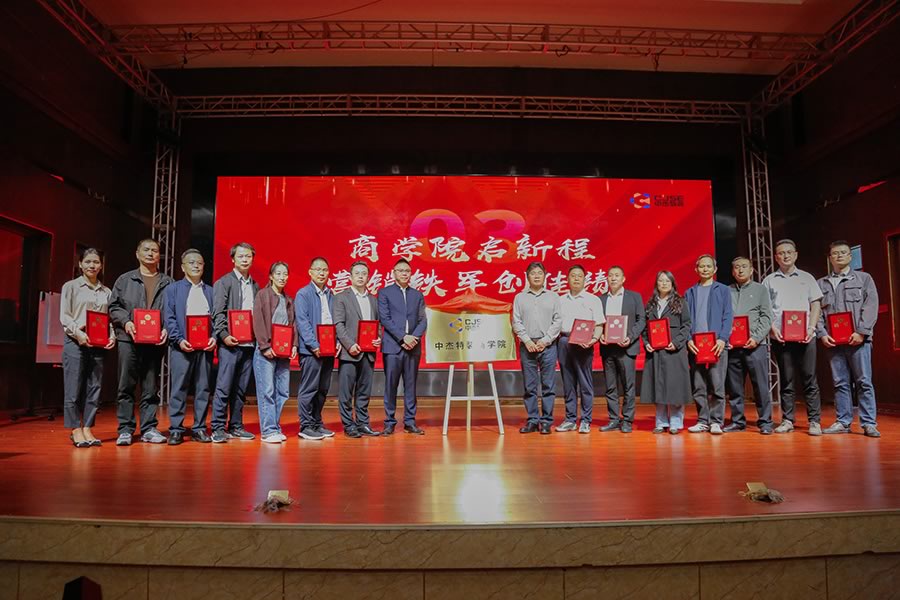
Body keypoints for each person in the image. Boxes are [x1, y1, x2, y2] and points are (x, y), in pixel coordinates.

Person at [108, 238, 173, 446]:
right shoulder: (125, 280)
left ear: (159, 255)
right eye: (146, 250)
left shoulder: (168, 282)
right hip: (128, 339)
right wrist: (126, 322)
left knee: (150, 386)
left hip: (155, 342)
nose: (150, 253)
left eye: (155, 250)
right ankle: (125, 429)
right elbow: (114, 307)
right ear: (137, 254)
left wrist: (167, 328)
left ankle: (149, 428)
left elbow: (173, 310)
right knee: (125, 385)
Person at [816, 240, 881, 438]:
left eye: (843, 252)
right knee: (840, 383)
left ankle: (868, 423)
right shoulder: (821, 284)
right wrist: (822, 334)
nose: (839, 256)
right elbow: (817, 313)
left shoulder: (864, 279)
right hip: (834, 343)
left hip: (858, 340)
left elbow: (871, 306)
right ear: (830, 258)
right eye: (835, 253)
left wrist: (861, 331)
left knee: (864, 381)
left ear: (850, 256)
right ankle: (843, 421)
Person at [762, 239, 823, 436]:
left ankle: (814, 421)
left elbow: (816, 304)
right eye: (781, 253)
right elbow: (765, 309)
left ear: (795, 254)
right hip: (780, 337)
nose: (785, 256)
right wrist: (772, 330)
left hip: (806, 336)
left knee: (810, 378)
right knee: (786, 380)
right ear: (776, 257)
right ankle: (788, 420)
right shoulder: (769, 280)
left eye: (789, 252)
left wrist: (811, 328)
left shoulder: (807, 278)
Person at [60, 248, 115, 447]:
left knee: (95, 387)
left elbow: (109, 319)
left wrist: (111, 336)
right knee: (73, 387)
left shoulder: (107, 291)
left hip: (99, 344)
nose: (92, 265)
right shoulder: (71, 287)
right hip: (76, 341)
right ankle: (75, 429)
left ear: (101, 266)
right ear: (80, 264)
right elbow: (65, 316)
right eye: (88, 261)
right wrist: (79, 334)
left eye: (96, 262)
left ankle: (88, 427)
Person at [163, 249, 216, 445]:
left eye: (199, 263)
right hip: (181, 346)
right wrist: (178, 339)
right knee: (179, 388)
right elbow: (169, 317)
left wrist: (214, 338)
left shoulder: (211, 291)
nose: (196, 265)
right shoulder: (173, 289)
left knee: (203, 389)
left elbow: (217, 318)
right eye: (191, 262)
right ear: (182, 267)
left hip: (205, 348)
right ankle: (176, 429)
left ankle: (199, 428)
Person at [210, 242, 259, 443]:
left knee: (240, 388)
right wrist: (223, 335)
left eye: (248, 256)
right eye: (241, 256)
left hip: (249, 344)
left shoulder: (255, 285)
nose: (245, 259)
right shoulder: (224, 282)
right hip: (229, 344)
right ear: (233, 259)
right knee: (224, 386)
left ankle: (236, 425)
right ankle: (217, 427)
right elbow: (218, 312)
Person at [725, 257, 775, 434]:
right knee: (735, 387)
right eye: (737, 267)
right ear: (733, 272)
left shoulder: (760, 289)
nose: (740, 270)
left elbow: (766, 316)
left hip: (755, 346)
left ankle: (765, 422)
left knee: (760, 386)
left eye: (744, 267)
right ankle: (737, 421)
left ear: (751, 270)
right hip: (733, 347)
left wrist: (756, 338)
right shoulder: (726, 291)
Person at [685, 255, 733, 435]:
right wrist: (688, 339)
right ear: (696, 269)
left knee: (717, 384)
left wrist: (722, 339)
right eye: (701, 266)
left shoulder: (723, 290)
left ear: (715, 269)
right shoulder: (690, 292)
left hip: (716, 344)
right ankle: (703, 420)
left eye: (708, 266)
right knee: (698, 385)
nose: (705, 269)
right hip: (696, 345)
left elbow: (728, 315)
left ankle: (716, 421)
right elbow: (685, 320)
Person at [378, 258, 427, 435]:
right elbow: (385, 319)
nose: (404, 274)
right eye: (401, 271)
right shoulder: (385, 293)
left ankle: (410, 422)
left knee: (411, 386)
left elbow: (423, 320)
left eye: (407, 271)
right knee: (390, 386)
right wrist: (402, 337)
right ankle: (389, 422)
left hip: (413, 347)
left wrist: (414, 338)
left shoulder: (417, 295)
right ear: (394, 273)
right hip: (393, 347)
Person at [334, 261, 382, 438]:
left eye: (364, 273)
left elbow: (377, 324)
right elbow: (338, 325)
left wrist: (378, 338)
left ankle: (363, 423)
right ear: (350, 276)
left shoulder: (373, 299)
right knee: (346, 393)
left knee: (364, 392)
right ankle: (349, 425)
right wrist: (349, 344)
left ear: (368, 277)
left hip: (368, 353)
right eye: (357, 273)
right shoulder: (341, 297)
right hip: (349, 353)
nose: (361, 276)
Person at [512, 261, 561, 435]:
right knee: (529, 386)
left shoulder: (553, 297)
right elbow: (516, 321)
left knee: (548, 386)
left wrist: (545, 340)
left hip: (548, 346)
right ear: (527, 277)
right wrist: (527, 341)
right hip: (528, 346)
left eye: (540, 273)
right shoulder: (520, 297)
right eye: (533, 273)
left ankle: (546, 421)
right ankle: (533, 420)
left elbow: (558, 321)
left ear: (545, 276)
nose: (537, 276)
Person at [640, 271, 692, 434]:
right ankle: (661, 422)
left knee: (675, 387)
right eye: (661, 280)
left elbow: (686, 325)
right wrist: (647, 343)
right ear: (656, 283)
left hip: (674, 351)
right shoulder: (650, 304)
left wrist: (676, 343)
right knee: (659, 386)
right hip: (655, 352)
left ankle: (676, 423)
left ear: (672, 284)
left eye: (667, 281)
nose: (664, 283)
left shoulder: (680, 302)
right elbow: (645, 328)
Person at [253, 261, 298, 444]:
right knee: (267, 391)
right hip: (266, 351)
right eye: (278, 273)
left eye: (285, 274)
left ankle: (275, 426)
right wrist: (265, 346)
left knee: (283, 391)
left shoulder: (289, 300)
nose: (282, 277)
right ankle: (268, 430)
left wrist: (294, 345)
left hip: (283, 352)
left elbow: (293, 325)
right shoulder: (262, 295)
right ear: (271, 276)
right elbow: (258, 321)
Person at [556, 265, 605, 433]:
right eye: (573, 276)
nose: (576, 278)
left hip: (584, 344)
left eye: (579, 276)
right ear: (567, 279)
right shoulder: (560, 300)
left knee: (585, 383)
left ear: (585, 279)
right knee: (568, 383)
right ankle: (570, 419)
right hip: (564, 341)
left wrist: (593, 340)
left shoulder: (593, 300)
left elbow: (599, 324)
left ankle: (585, 420)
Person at [295, 257, 338, 440]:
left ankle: (316, 423)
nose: (322, 273)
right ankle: (305, 426)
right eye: (318, 269)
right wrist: (314, 345)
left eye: (325, 270)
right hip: (311, 350)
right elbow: (302, 322)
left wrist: (337, 342)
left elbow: (335, 321)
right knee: (309, 388)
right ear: (310, 272)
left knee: (322, 389)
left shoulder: (331, 294)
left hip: (328, 349)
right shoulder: (303, 294)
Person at [598, 266, 645, 433]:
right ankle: (613, 419)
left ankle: (627, 420)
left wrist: (630, 337)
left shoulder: (634, 297)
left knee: (628, 387)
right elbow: (597, 322)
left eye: (617, 275)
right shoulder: (601, 299)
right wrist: (599, 335)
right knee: (610, 387)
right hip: (607, 348)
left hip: (627, 348)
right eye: (610, 275)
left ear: (623, 278)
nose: (613, 278)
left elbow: (641, 320)